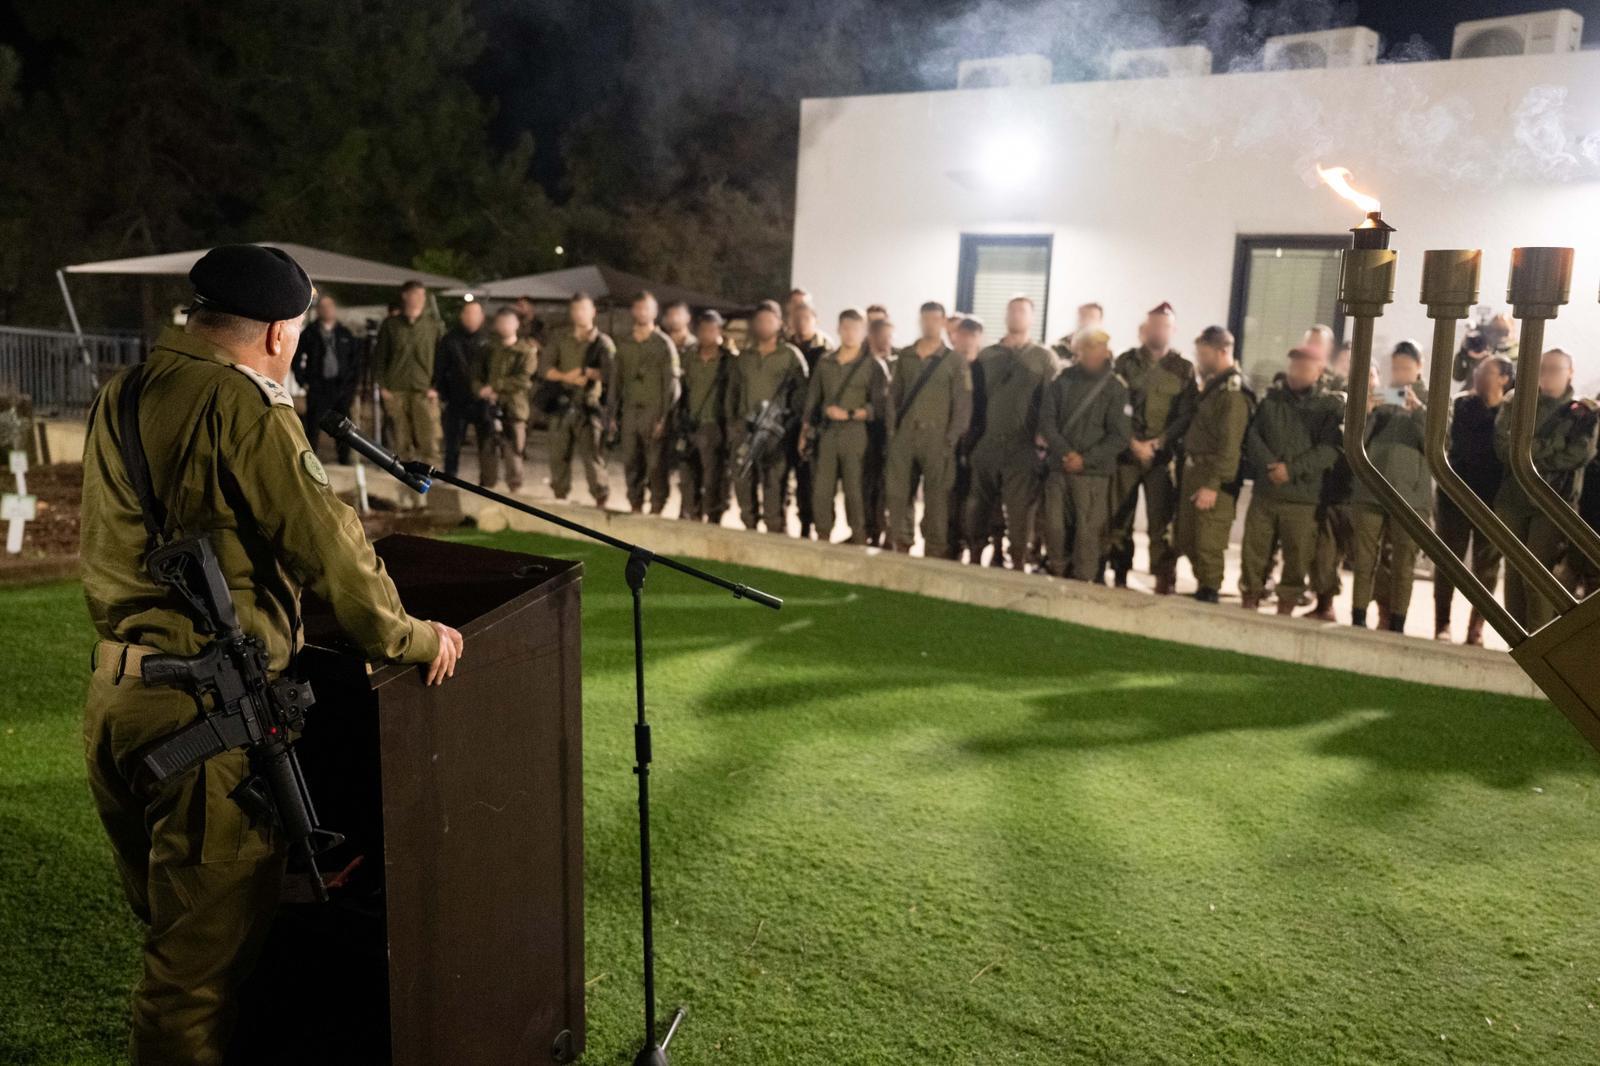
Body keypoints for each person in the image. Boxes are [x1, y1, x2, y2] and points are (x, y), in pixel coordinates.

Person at [78, 245, 463, 1065]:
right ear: (281, 334)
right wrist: (411, 636)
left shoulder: (126, 390)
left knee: (177, 939)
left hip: (119, 701)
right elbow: (329, 543)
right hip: (202, 723)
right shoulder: (241, 403)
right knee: (192, 983)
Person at [1493, 348, 1598, 630]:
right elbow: (1504, 447)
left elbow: (1578, 454)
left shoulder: (1583, 412)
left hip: (1554, 503)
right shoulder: (1518, 403)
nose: (1547, 375)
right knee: (1514, 572)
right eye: (1543, 369)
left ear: (1570, 373)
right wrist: (1552, 446)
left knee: (1539, 575)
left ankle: (1539, 638)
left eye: (1554, 369)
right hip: (1514, 499)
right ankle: (1516, 636)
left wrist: (1528, 453)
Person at [1238, 346, 1343, 613]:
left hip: (1303, 497)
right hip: (1266, 491)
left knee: (1297, 556)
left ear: (1319, 371)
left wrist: (1292, 470)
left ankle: (1286, 605)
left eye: (1303, 367)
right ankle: (1250, 597)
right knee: (1254, 551)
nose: (1295, 372)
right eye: (1293, 366)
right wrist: (1269, 465)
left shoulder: (1328, 406)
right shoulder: (1272, 400)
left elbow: (1329, 449)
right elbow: (1253, 436)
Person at [964, 296, 1059, 569]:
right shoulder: (987, 356)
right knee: (978, 505)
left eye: (1022, 311)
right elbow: (973, 399)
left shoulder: (1044, 358)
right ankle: (975, 554)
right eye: (1012, 311)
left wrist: (1043, 439)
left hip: (1023, 445)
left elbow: (1052, 401)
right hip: (987, 442)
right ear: (1006, 316)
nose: (1017, 315)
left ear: (1032, 318)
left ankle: (1018, 560)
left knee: (1020, 510)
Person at [1108, 302, 1196, 592]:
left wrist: (1159, 443)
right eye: (1154, 325)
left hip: (1162, 457)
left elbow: (1186, 414)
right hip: (1127, 454)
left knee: (1162, 523)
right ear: (1144, 329)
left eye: (1164, 326)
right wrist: (1133, 442)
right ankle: (1120, 572)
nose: (1158, 331)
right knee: (1120, 518)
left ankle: (1163, 576)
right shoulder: (1125, 362)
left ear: (1173, 330)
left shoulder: (1183, 369)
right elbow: (1114, 406)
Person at [1349, 347, 1431, 632]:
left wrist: (1418, 410)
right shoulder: (1381, 397)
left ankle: (1397, 622)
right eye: (1396, 368)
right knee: (1363, 559)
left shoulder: (1432, 400)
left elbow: (1439, 444)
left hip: (1411, 496)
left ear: (1419, 367)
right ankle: (1358, 616)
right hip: (1371, 490)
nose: (1400, 374)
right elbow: (1355, 441)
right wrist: (1367, 412)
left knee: (1403, 563)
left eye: (1406, 368)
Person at [1038, 328, 1131, 580]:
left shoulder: (1115, 388)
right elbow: (1047, 421)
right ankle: (1057, 572)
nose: (1094, 353)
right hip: (1060, 467)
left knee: (1087, 534)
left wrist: (1085, 459)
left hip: (1093, 475)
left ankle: (1083, 582)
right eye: (1088, 348)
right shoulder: (1062, 381)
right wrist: (1066, 453)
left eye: (1097, 348)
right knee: (1054, 528)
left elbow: (1119, 436)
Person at [885, 301, 972, 557]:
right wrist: (892, 431)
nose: (929, 324)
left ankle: (934, 548)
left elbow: (963, 405)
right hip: (905, 435)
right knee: (899, 493)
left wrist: (951, 439)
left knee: (937, 498)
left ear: (944, 323)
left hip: (938, 438)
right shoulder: (906, 356)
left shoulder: (955, 361)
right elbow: (893, 396)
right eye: (925, 319)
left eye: (935, 319)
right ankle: (901, 542)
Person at [1435, 356, 1511, 644]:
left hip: (1493, 501)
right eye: (1478, 370)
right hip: (1456, 496)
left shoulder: (1512, 412)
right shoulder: (1462, 405)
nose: (1478, 375)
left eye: (1486, 371)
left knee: (1487, 568)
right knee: (1448, 562)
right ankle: (1442, 623)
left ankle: (1476, 627)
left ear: (1504, 378)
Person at [1176, 326, 1253, 603]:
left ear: (1222, 351)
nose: (1199, 359)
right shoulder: (1214, 386)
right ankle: (1203, 586)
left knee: (1208, 542)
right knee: (1187, 538)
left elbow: (1230, 446)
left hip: (1214, 476)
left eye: (1204, 353)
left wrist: (1213, 485)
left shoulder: (1232, 392)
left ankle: (1209, 593)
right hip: (1195, 471)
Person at [803, 308, 888, 543]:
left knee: (855, 490)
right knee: (822, 489)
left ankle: (858, 535)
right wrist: (805, 429)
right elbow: (812, 399)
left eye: (855, 329)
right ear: (839, 329)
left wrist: (850, 414)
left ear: (863, 332)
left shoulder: (873, 365)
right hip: (827, 432)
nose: (850, 333)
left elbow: (880, 406)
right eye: (846, 328)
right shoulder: (825, 362)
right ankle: (823, 533)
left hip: (856, 434)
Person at [730, 299, 808, 532]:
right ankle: (749, 526)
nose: (764, 324)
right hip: (746, 429)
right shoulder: (745, 357)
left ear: (780, 323)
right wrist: (733, 424)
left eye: (770, 320)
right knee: (743, 479)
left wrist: (789, 424)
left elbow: (801, 395)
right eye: (760, 320)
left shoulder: (790, 356)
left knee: (775, 483)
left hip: (776, 432)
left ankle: (775, 530)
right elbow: (733, 392)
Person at [538, 291, 614, 507]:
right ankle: (560, 498)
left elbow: (612, 374)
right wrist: (566, 377)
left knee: (593, 457)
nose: (580, 313)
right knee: (558, 457)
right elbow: (544, 369)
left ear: (593, 312)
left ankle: (601, 499)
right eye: (576, 309)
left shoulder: (602, 342)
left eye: (584, 309)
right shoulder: (560, 338)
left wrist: (590, 373)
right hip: (561, 406)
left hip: (588, 406)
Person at [608, 291, 680, 514]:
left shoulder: (663, 344)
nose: (642, 312)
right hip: (630, 411)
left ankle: (657, 505)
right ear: (633, 311)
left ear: (655, 312)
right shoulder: (624, 343)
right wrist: (612, 414)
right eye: (638, 308)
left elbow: (672, 385)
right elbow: (615, 381)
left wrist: (664, 417)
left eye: (646, 308)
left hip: (654, 411)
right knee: (630, 460)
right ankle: (635, 503)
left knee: (656, 464)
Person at [372, 280, 445, 470]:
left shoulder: (433, 326)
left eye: (422, 295)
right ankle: (404, 474)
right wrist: (382, 386)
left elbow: (442, 358)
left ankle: (431, 475)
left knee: (428, 436)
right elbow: (380, 357)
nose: (419, 299)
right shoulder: (391, 325)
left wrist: (437, 387)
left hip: (424, 390)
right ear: (405, 296)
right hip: (396, 389)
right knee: (400, 437)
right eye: (415, 294)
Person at [676, 310, 735, 523]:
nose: (706, 334)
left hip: (714, 426)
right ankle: (693, 513)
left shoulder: (728, 361)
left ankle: (713, 516)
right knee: (688, 475)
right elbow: (681, 389)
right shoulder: (689, 357)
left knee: (713, 478)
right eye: (703, 329)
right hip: (690, 424)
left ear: (719, 332)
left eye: (711, 329)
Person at [291, 293, 362, 464]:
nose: (327, 310)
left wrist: (351, 386)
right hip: (317, 386)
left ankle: (344, 460)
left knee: (343, 426)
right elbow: (296, 358)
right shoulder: (310, 333)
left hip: (341, 387)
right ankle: (310, 461)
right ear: (318, 310)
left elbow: (355, 361)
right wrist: (303, 382)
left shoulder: (345, 333)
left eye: (330, 306)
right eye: (323, 307)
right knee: (313, 425)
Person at [474, 307, 534, 494]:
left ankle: (514, 490)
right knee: (487, 451)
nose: (504, 326)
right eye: (501, 322)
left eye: (509, 322)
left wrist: (495, 387)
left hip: (514, 408)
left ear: (516, 324)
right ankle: (487, 488)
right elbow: (476, 375)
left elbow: (524, 380)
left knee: (513, 452)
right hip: (489, 407)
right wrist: (481, 390)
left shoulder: (525, 351)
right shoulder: (488, 349)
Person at [787, 301, 834, 538]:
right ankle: (795, 521)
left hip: (814, 421)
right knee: (791, 474)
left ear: (815, 320)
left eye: (806, 318)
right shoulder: (786, 347)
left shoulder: (826, 350)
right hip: (789, 419)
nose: (801, 323)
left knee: (811, 477)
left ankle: (812, 523)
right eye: (797, 318)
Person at [947, 314, 987, 561]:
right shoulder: (948, 365)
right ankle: (951, 544)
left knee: (973, 500)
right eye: (963, 334)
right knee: (949, 496)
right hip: (950, 442)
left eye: (972, 335)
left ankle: (973, 545)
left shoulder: (984, 369)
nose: (967, 340)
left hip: (976, 442)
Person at [432, 299, 488, 478]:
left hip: (483, 399)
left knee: (486, 443)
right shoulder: (450, 339)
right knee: (453, 441)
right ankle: (450, 475)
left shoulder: (488, 340)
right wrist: (440, 391)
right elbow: (440, 367)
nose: (471, 317)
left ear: (482, 317)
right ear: (462, 316)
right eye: (468, 313)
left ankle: (487, 479)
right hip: (456, 398)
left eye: (475, 314)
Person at [863, 316, 897, 546]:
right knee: (867, 485)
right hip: (867, 432)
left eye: (889, 336)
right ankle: (870, 531)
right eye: (881, 336)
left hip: (889, 434)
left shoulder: (898, 363)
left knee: (887, 487)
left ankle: (885, 532)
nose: (886, 341)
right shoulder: (863, 364)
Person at [1452, 310, 1517, 386]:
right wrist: (1464, 351)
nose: (1499, 335)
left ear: (1513, 329)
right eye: (1495, 330)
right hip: (1474, 390)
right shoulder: (1481, 347)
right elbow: (1458, 376)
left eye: (1502, 330)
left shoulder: (1517, 351)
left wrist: (1489, 360)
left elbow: (1513, 379)